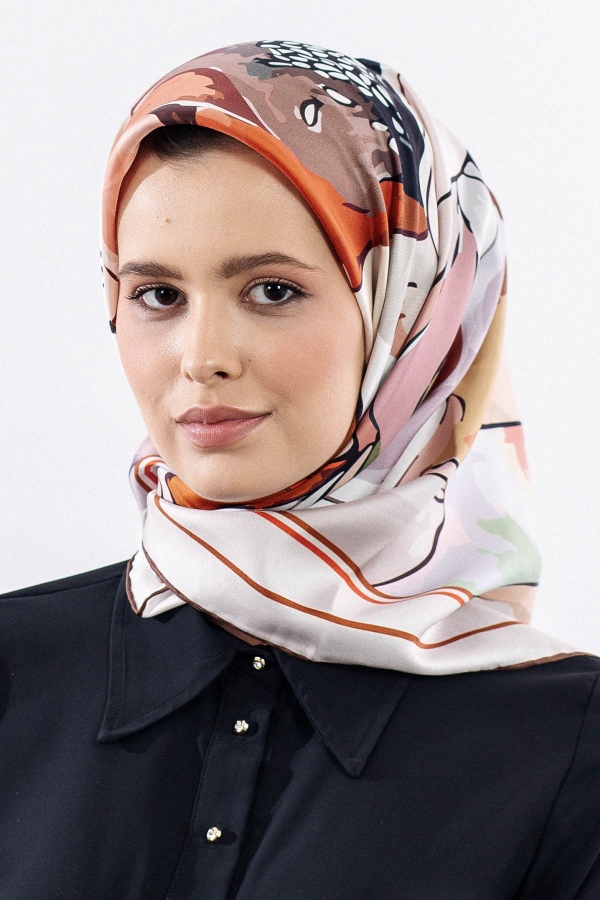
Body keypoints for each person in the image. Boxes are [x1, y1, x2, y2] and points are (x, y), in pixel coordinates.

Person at [1, 39, 599, 899]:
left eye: (271, 291)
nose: (201, 357)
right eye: (159, 295)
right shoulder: (16, 668)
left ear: (413, 318)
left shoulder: (567, 745)